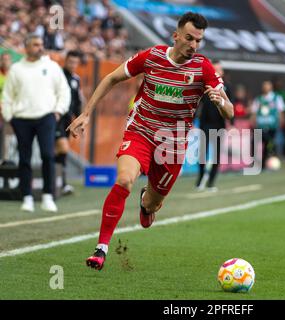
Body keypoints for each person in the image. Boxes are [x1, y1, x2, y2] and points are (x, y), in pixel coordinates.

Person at [67, 12, 234, 270]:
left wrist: (220, 100)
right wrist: (86, 113)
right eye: (189, 38)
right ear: (175, 36)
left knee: (152, 204)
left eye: (198, 40)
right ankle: (101, 248)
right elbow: (112, 78)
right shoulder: (152, 57)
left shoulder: (203, 68)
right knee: (124, 180)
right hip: (141, 131)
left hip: (172, 145)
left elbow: (230, 111)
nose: (193, 45)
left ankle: (147, 203)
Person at [1, 34, 71, 212]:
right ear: (27, 47)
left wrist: (58, 111)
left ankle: (48, 195)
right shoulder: (17, 69)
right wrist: (10, 116)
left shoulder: (52, 66)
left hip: (46, 117)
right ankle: (27, 197)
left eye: (41, 44)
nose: (40, 47)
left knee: (48, 155)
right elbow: (7, 96)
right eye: (35, 44)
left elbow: (64, 91)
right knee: (24, 158)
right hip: (21, 119)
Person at [195, 59, 233, 192]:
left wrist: (231, 124)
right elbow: (197, 103)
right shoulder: (205, 85)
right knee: (202, 154)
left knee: (216, 154)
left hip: (219, 124)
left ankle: (211, 182)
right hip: (205, 123)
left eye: (219, 69)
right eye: (215, 69)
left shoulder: (227, 87)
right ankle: (200, 179)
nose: (217, 71)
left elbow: (230, 105)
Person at [55, 50, 84, 195]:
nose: (73, 65)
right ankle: (57, 180)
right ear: (65, 61)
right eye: (70, 62)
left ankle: (60, 182)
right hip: (56, 118)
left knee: (60, 152)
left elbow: (78, 102)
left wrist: (79, 120)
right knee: (62, 148)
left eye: (75, 62)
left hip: (67, 120)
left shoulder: (76, 79)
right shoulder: (58, 75)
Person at [251, 80, 285, 170]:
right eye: (264, 85)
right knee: (255, 144)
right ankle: (255, 163)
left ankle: (264, 164)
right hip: (260, 126)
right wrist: (253, 123)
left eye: (267, 85)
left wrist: (281, 122)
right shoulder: (258, 99)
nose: (265, 87)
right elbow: (254, 112)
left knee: (268, 145)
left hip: (272, 126)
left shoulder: (276, 98)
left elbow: (281, 111)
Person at [0, 52, 12, 160]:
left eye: (7, 59)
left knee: (8, 139)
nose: (5, 61)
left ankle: (6, 160)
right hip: (0, 112)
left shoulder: (14, 76)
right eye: (3, 59)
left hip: (10, 112)